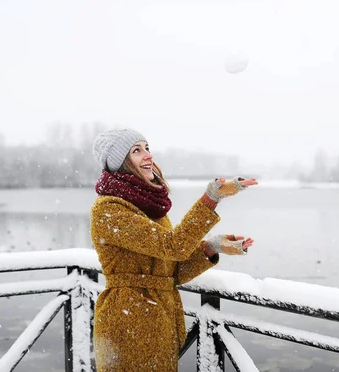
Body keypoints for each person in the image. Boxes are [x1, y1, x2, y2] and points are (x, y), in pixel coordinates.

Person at [90, 128, 258, 371]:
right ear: (120, 163)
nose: (148, 155)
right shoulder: (109, 210)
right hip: (128, 323)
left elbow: (170, 272)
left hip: (160, 320)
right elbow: (174, 245)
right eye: (136, 150)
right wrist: (211, 198)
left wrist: (211, 247)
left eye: (147, 148)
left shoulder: (150, 206)